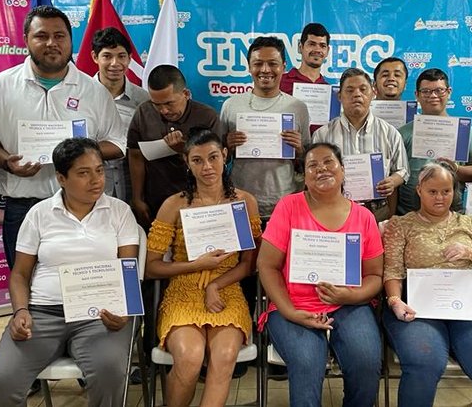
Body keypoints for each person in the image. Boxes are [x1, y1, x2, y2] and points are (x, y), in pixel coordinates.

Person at [0, 138, 139, 407]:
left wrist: (124, 312)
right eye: (83, 173)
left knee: (109, 372)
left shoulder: (119, 212)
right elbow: (19, 274)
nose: (96, 180)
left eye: (99, 170)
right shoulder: (39, 214)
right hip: (43, 314)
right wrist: (21, 311)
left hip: (100, 316)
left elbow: (128, 270)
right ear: (61, 178)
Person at [0, 5, 126, 269]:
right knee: (26, 289)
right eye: (41, 36)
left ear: (70, 41)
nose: (51, 43)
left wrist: (79, 155)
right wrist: (6, 162)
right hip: (22, 207)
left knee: (85, 287)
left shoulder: (93, 90)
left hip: (83, 208)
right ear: (26, 40)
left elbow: (117, 143)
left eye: (59, 36)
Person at [257, 142, 383, 407]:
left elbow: (374, 276)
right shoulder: (288, 207)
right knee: (307, 361)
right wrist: (290, 311)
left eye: (328, 162)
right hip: (293, 305)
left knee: (366, 360)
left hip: (347, 303)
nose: (321, 169)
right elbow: (267, 266)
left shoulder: (363, 217)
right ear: (304, 175)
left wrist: (352, 295)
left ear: (343, 169)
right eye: (312, 165)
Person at [382, 159, 472, 407]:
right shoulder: (401, 225)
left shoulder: (471, 224)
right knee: (424, 360)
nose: (440, 198)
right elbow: (392, 270)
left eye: (446, 191)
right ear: (419, 190)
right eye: (432, 191)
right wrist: (395, 300)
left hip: (470, 303)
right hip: (416, 305)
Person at [144, 129, 261, 407]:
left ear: (224, 155)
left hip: (227, 289)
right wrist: (195, 265)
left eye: (212, 158)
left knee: (223, 357)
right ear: (187, 162)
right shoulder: (174, 205)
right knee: (189, 357)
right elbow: (151, 268)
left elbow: (249, 264)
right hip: (183, 291)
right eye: (197, 160)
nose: (207, 167)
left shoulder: (244, 202)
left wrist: (214, 284)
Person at [221, 36, 310, 220]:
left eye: (272, 63)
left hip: (283, 201)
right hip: (239, 200)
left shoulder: (298, 107)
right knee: (244, 250)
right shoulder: (231, 105)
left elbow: (307, 161)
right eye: (258, 63)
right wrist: (227, 146)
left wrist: (299, 148)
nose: (265, 70)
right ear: (249, 66)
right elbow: (218, 159)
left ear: (283, 66)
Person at [128, 64, 223, 228]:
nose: (163, 110)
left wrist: (184, 150)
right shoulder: (143, 112)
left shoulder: (207, 116)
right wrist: (137, 198)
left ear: (186, 94)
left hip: (199, 204)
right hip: (155, 201)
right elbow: (135, 155)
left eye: (169, 103)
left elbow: (217, 161)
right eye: (156, 104)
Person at [313, 68, 408, 222]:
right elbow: (314, 175)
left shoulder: (390, 133)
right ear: (339, 96)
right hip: (334, 212)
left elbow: (403, 170)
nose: (357, 94)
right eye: (349, 90)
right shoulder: (322, 135)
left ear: (373, 93)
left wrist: (392, 181)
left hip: (377, 213)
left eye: (363, 90)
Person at [396, 69, 472, 216]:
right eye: (426, 91)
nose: (433, 96)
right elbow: (393, 173)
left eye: (439, 90)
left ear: (449, 92)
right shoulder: (403, 133)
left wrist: (456, 169)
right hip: (409, 214)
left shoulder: (465, 131)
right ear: (417, 95)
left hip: (453, 215)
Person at [90, 27, 150, 203]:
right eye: (107, 56)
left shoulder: (143, 100)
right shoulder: (79, 96)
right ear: (95, 57)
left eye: (122, 56)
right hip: (93, 188)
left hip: (134, 187)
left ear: (130, 59)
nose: (115, 63)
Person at [279, 22, 331, 95]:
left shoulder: (328, 91)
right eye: (312, 44)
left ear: (327, 51)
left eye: (322, 46)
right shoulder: (280, 82)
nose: (317, 50)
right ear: (300, 47)